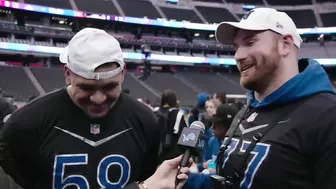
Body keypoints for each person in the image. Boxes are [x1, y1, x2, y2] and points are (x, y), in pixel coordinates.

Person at [0, 27, 170, 189]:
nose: (98, 99)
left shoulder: (144, 121)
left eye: (109, 87)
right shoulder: (25, 123)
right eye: (86, 88)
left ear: (123, 73)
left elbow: (148, 179)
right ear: (67, 74)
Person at [187, 7, 336, 189]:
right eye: (236, 46)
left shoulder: (327, 116)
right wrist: (183, 182)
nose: (238, 55)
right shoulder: (247, 111)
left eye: (250, 42)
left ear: (285, 44)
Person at [155, 89, 187, 164]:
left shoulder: (155, 111)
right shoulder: (178, 114)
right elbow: (183, 136)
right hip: (171, 154)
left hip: (155, 151)